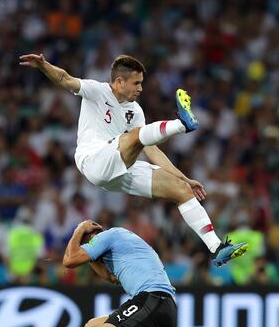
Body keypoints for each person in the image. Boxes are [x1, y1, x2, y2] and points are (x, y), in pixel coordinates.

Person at [19, 52, 248, 267]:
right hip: (93, 161)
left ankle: (216, 248)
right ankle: (181, 124)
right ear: (119, 82)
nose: (140, 88)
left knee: (181, 190)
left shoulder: (135, 111)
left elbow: (151, 149)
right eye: (136, 83)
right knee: (135, 136)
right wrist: (44, 65)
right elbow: (65, 79)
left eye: (141, 83)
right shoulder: (96, 91)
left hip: (120, 167)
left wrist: (185, 178)